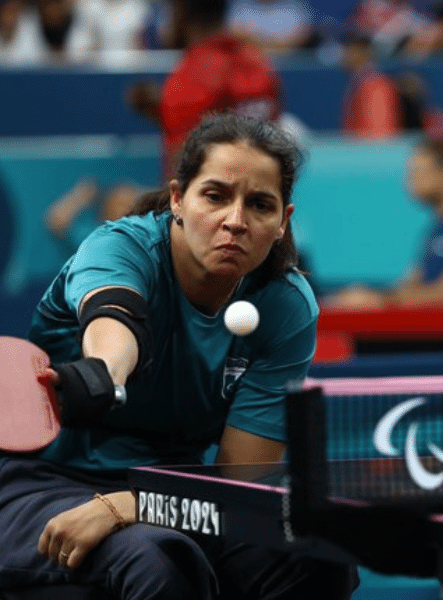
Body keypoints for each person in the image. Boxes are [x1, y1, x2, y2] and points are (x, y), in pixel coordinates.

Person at [0, 113, 356, 599]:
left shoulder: (285, 306)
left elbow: (238, 481)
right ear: (177, 200)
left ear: (282, 222)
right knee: (157, 557)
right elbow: (116, 319)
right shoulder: (121, 247)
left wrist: (128, 504)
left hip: (167, 493)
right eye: (215, 196)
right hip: (44, 485)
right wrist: (102, 373)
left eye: (258, 204)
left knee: (316, 554)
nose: (234, 220)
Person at [327, 137, 443, 308]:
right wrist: (367, 296)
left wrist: (381, 301)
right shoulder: (439, 229)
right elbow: (412, 284)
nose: (410, 181)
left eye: (418, 172)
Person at [128, 0, 283, 179]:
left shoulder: (188, 78)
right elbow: (243, 133)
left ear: (182, 11)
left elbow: (184, 178)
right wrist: (165, 112)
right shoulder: (260, 65)